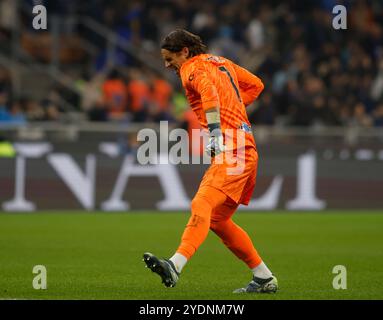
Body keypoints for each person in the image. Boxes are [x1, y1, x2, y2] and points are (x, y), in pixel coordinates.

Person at [143, 29, 278, 294]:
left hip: (233, 147)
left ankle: (175, 264)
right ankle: (263, 277)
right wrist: (236, 108)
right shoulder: (221, 62)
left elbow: (209, 94)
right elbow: (257, 85)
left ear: (184, 51)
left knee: (201, 203)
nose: (167, 65)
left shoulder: (191, 69)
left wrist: (215, 130)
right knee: (217, 219)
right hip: (245, 145)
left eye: (170, 59)